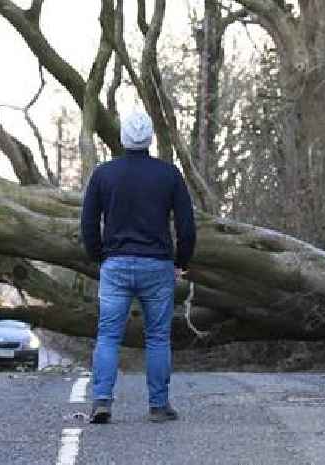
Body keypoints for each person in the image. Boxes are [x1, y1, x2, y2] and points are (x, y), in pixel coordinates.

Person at [80, 110, 196, 424]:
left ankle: (102, 400)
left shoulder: (104, 175)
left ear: (123, 138)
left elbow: (88, 223)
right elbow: (187, 226)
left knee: (107, 336)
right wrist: (181, 262)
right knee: (158, 337)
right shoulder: (169, 175)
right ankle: (158, 405)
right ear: (149, 139)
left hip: (115, 264)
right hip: (157, 266)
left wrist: (99, 257)